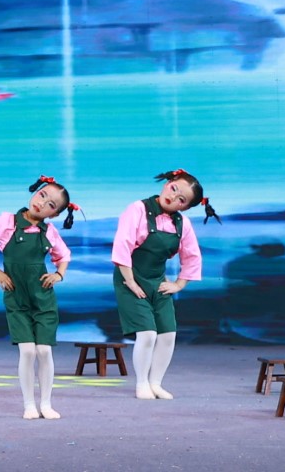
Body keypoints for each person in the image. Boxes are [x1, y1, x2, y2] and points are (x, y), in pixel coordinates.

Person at [0, 176, 78, 420]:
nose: (42, 203)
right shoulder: (7, 221)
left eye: (51, 205)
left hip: (43, 298)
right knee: (28, 351)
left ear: (54, 214)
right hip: (16, 297)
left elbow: (64, 255)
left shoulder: (49, 231)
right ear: (36, 192)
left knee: (44, 351)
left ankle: (46, 404)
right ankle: (29, 404)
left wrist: (59, 274)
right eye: (42, 195)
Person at [113, 169, 219, 399]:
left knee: (168, 334)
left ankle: (156, 383)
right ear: (167, 183)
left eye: (181, 199)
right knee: (148, 334)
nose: (173, 197)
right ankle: (142, 383)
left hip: (158, 281)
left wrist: (179, 285)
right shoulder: (138, 209)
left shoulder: (182, 223)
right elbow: (122, 245)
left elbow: (192, 256)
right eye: (173, 189)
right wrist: (130, 282)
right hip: (129, 277)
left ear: (185, 207)